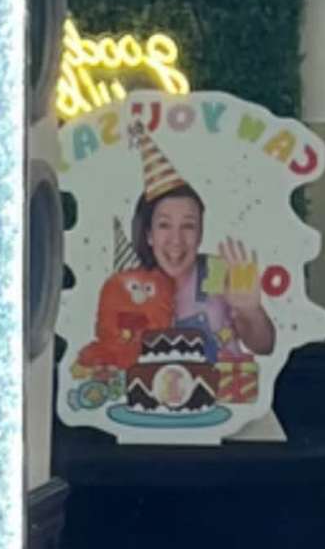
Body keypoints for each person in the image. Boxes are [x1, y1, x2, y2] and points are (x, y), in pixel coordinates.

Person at [77, 162, 274, 423]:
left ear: (201, 233)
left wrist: (251, 311)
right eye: (164, 225)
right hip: (145, 421)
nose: (176, 239)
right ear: (148, 234)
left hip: (218, 418)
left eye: (189, 226)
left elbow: (264, 344)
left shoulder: (218, 273)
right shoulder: (129, 289)